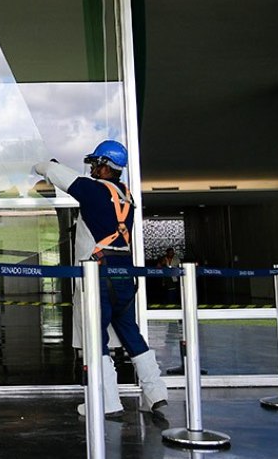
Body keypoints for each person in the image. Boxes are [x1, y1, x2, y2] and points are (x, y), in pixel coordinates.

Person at [34, 140, 167, 417]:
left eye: (96, 163)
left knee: (96, 338)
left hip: (99, 275)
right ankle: (156, 395)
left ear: (107, 166)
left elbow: (49, 170)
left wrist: (39, 164)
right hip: (124, 274)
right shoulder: (126, 196)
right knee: (131, 333)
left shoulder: (93, 190)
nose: (93, 168)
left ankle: (106, 401)